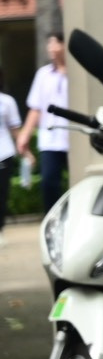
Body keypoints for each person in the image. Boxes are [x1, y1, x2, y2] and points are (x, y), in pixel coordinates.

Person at [17, 32, 69, 213]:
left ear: (64, 46)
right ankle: (52, 218)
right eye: (49, 44)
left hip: (73, 137)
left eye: (55, 44)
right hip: (50, 139)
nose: (51, 48)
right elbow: (35, 108)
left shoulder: (76, 74)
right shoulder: (43, 75)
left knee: (77, 181)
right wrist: (25, 134)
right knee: (49, 181)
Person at [0, 69, 28, 247]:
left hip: (3, 153)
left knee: (1, 194)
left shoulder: (7, 102)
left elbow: (15, 131)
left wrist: (26, 152)